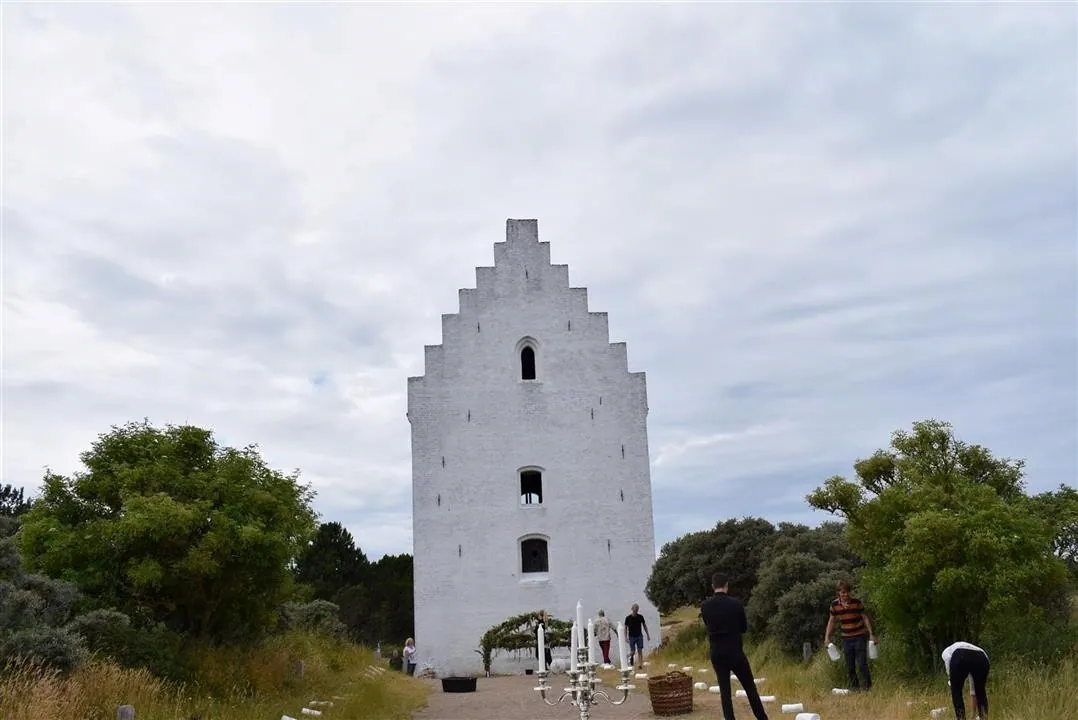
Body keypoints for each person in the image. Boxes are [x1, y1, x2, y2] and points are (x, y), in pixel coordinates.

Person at [700, 573, 769, 720]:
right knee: (749, 687)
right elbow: (743, 627)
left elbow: (707, 625)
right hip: (734, 650)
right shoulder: (736, 603)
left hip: (717, 652)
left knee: (725, 692)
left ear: (713, 586)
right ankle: (762, 717)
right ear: (727, 585)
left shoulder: (705, 606)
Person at [823, 581, 877, 692]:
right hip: (846, 638)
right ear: (838, 593)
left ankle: (867, 688)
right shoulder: (834, 605)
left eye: (847, 592)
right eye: (843, 592)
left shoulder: (857, 603)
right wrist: (827, 637)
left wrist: (871, 634)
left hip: (859, 636)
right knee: (850, 665)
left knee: (862, 663)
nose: (845, 595)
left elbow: (865, 618)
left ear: (849, 592)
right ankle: (854, 688)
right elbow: (831, 621)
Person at [942, 641, 989, 720]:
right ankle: (984, 718)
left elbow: (947, 660)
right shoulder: (977, 650)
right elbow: (975, 688)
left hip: (960, 655)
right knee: (981, 691)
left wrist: (950, 680)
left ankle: (961, 718)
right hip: (982, 657)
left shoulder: (946, 651)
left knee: (956, 691)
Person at [624, 603, 650, 669]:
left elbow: (644, 626)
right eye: (635, 609)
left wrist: (647, 635)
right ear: (632, 609)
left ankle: (640, 664)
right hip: (631, 637)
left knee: (640, 650)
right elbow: (625, 628)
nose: (636, 611)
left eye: (637, 609)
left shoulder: (640, 617)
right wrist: (625, 637)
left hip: (639, 636)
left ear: (638, 610)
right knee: (633, 651)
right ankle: (629, 656)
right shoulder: (628, 618)